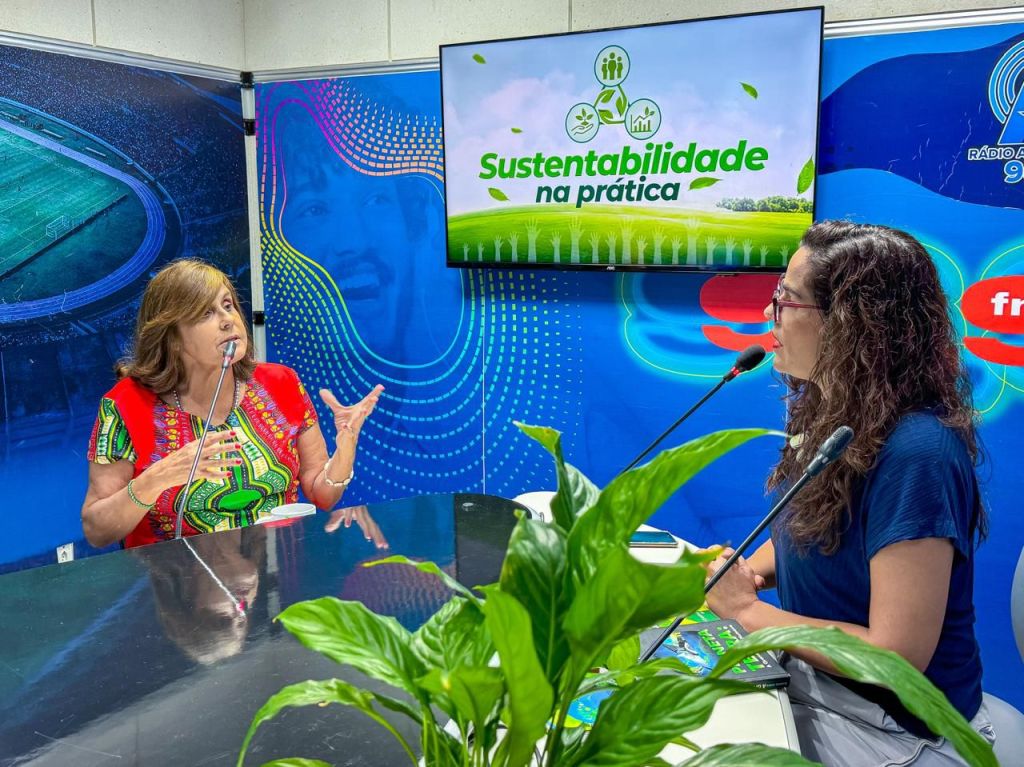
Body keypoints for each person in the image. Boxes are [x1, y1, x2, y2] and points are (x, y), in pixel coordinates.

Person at [703, 221, 995, 765]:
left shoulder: (918, 453)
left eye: (786, 300)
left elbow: (895, 655)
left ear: (850, 323)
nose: (769, 313)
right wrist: (742, 573)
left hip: (898, 730)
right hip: (826, 687)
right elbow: (817, 534)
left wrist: (745, 610)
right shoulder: (839, 408)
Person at [81, 259, 383, 548]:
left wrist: (346, 448)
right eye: (205, 313)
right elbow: (97, 530)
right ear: (172, 337)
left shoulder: (281, 383)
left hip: (278, 568)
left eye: (228, 305)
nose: (228, 320)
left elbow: (322, 495)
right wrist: (155, 480)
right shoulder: (125, 404)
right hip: (174, 577)